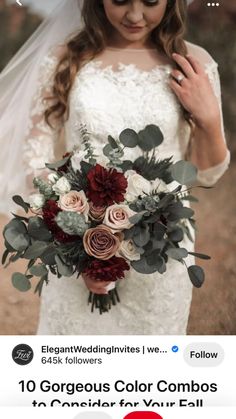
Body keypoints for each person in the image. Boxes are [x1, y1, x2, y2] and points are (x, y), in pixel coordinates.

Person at [0, 0, 230, 335]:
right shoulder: (64, 59)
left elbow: (206, 173)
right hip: (77, 246)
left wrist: (208, 118)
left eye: (151, 1)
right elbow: (35, 158)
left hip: (160, 251)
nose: (135, 16)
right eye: (120, 0)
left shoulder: (195, 64)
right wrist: (80, 245)